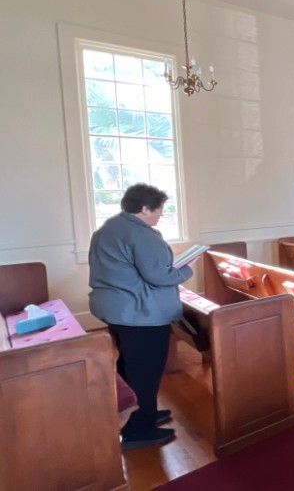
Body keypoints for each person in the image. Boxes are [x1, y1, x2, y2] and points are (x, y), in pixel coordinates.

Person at [89, 183, 194, 451]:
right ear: (145, 208)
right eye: (159, 209)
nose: (161, 214)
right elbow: (159, 276)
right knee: (145, 371)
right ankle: (138, 430)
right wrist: (187, 270)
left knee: (130, 365)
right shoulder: (141, 234)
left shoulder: (109, 227)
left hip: (116, 310)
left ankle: (141, 413)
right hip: (140, 314)